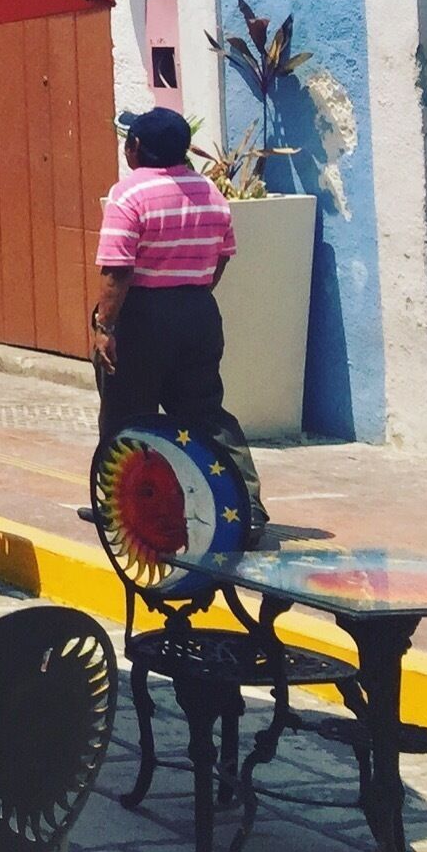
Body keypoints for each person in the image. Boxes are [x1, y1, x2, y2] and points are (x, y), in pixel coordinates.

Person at [92, 106, 266, 539]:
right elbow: (221, 257)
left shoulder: (128, 194)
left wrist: (105, 327)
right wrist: (193, 294)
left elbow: (117, 271)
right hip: (197, 312)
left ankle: (122, 505)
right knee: (205, 413)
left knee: (127, 414)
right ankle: (247, 507)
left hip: (141, 316)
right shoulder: (210, 192)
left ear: (134, 148)